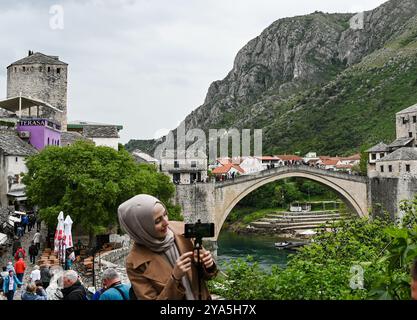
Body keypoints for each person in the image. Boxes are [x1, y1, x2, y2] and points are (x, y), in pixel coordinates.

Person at [118, 194, 218, 300]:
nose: (166, 223)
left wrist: (208, 264)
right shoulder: (134, 263)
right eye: (157, 221)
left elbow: (207, 276)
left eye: (165, 214)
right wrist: (175, 278)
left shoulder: (183, 230)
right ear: (141, 227)